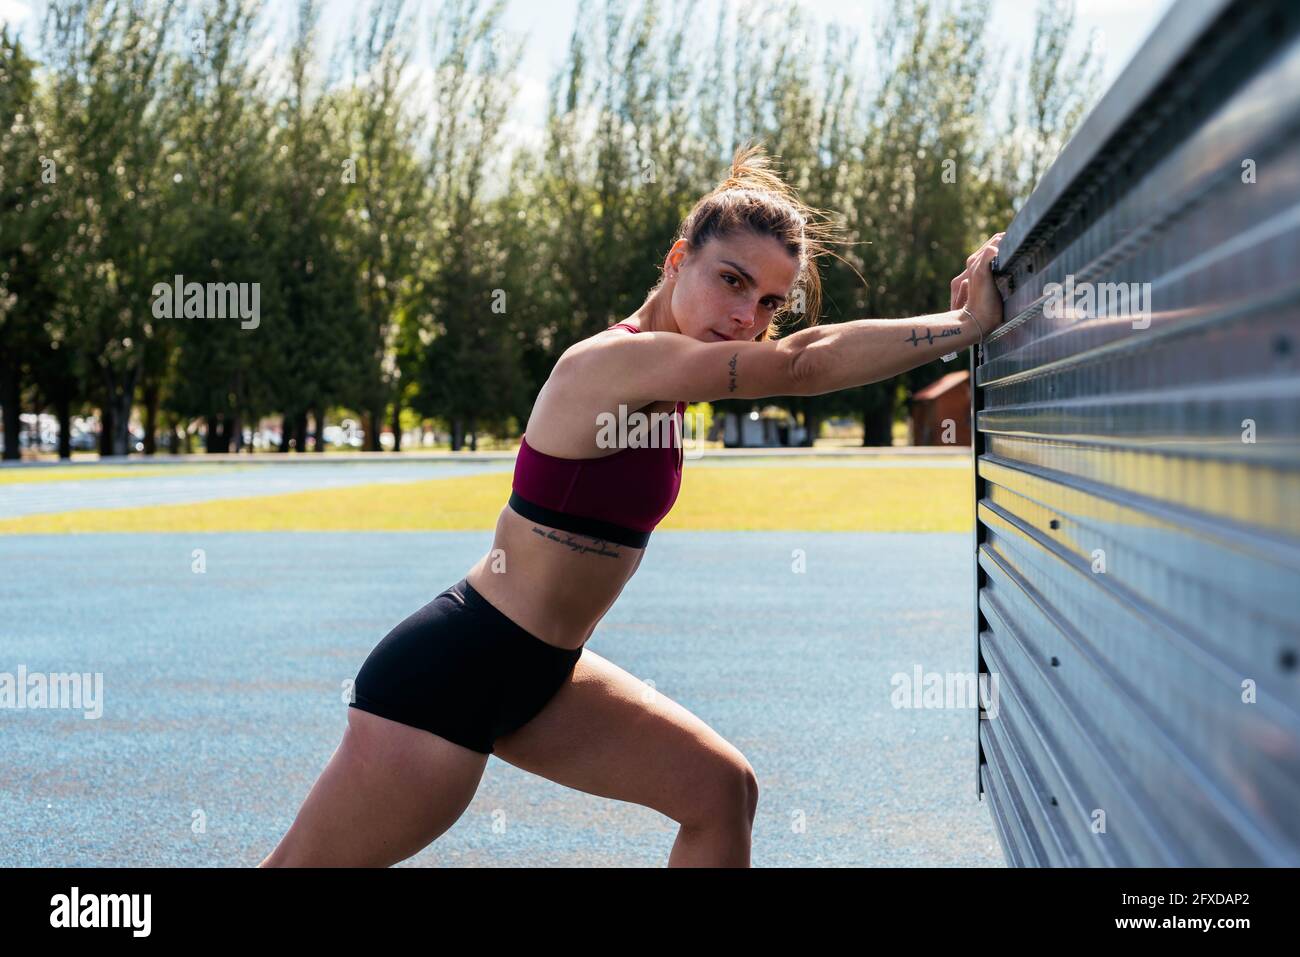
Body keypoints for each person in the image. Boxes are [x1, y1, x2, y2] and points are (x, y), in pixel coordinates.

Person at [259, 143, 1005, 868]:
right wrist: (962, 328)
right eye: (732, 281)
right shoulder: (613, 360)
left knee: (721, 790)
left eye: (770, 301)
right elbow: (804, 363)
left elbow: (799, 352)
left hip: (544, 672)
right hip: (452, 672)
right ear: (678, 259)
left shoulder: (676, 377)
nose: (747, 315)